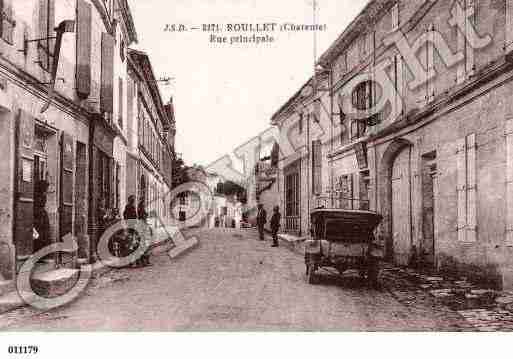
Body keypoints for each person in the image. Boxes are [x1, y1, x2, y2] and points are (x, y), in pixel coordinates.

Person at [137, 199, 151, 267]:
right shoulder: (142, 221)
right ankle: (144, 261)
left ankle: (143, 261)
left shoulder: (139, 210)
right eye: (144, 204)